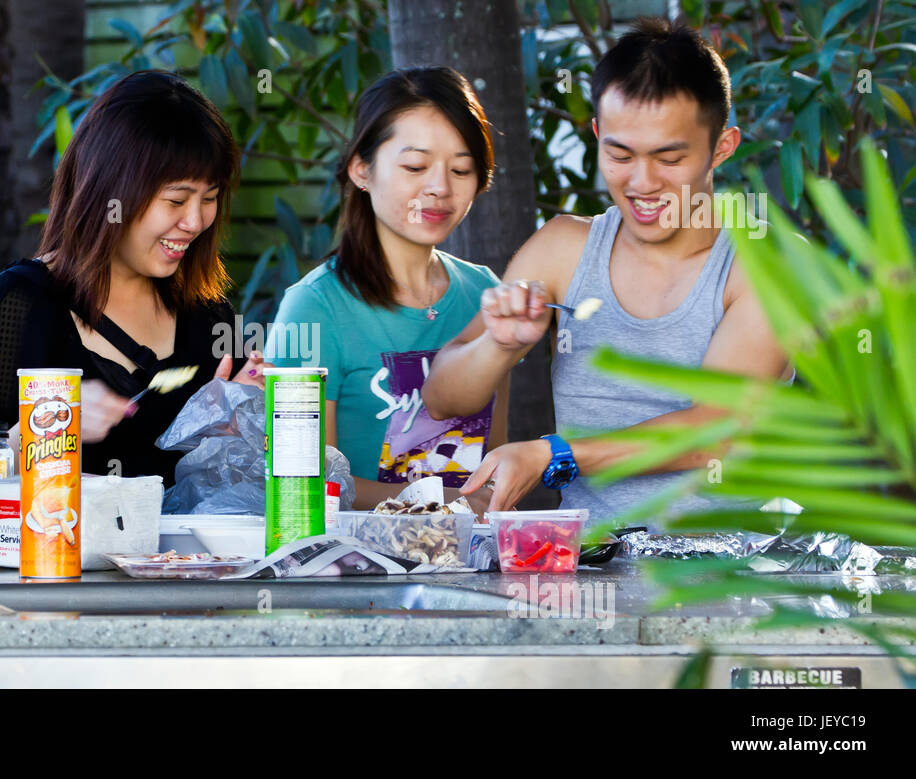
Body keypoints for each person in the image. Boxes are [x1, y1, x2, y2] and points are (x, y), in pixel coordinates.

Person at [422, 18, 789, 520]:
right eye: (619, 153)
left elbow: (715, 432)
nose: (642, 182)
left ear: (722, 147)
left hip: (733, 577)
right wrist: (497, 345)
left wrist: (555, 454)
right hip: (594, 565)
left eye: (669, 157)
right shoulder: (563, 249)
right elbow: (442, 398)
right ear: (597, 134)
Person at [0, 71, 266, 484]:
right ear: (111, 191)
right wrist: (54, 424)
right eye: (176, 200)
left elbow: (229, 486)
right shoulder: (15, 304)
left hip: (183, 552)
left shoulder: (211, 319)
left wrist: (242, 426)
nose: (195, 221)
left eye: (209, 199)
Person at [266, 67, 506, 510]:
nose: (440, 188)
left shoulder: (485, 293)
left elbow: (492, 470)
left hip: (470, 569)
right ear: (362, 169)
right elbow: (306, 489)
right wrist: (447, 505)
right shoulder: (312, 307)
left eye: (461, 169)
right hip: (356, 572)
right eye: (415, 166)